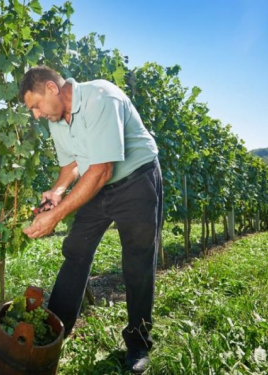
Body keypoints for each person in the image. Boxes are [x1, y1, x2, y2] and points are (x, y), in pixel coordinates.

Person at [19, 66, 163, 374]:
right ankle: (55, 333)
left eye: (35, 106)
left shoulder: (101, 97)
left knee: (137, 261)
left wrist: (54, 217)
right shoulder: (57, 119)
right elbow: (72, 165)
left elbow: (102, 170)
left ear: (51, 88)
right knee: (76, 251)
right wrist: (57, 191)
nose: (35, 115)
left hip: (136, 181)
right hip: (98, 185)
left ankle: (138, 342)